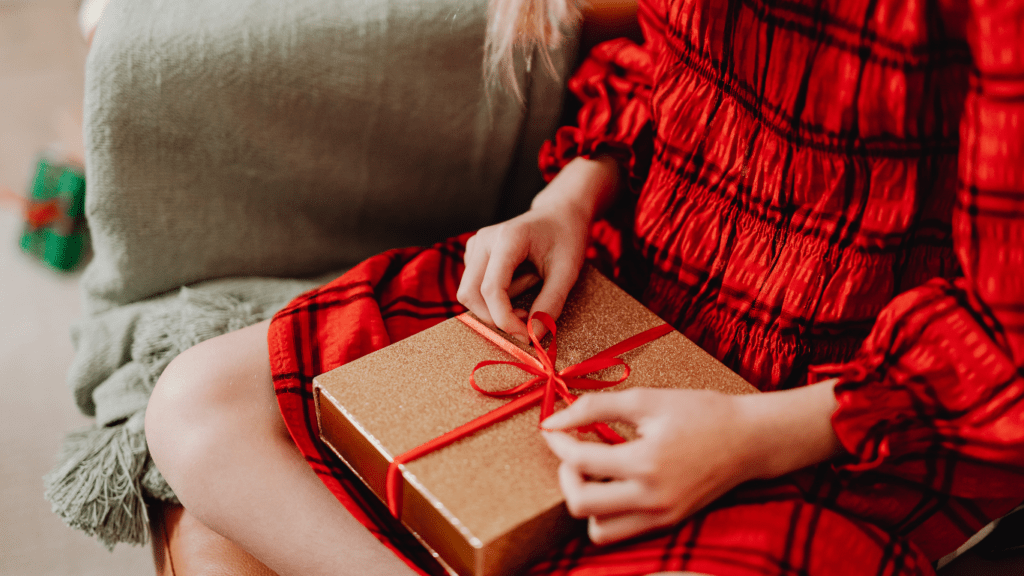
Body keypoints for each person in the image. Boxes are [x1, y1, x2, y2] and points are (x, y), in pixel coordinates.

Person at [144, 0, 1024, 575]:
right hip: (634, 282)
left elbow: (1007, 334)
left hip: (855, 411)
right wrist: (570, 196)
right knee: (197, 405)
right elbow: (666, 66)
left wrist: (752, 437)